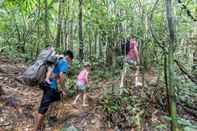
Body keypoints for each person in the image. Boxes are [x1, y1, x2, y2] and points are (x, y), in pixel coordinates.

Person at [34, 50, 74, 131]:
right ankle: (36, 128)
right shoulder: (64, 62)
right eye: (70, 60)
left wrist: (60, 90)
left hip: (50, 86)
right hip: (51, 87)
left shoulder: (57, 59)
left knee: (56, 100)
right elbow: (61, 76)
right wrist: (63, 88)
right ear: (68, 57)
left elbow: (55, 74)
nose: (70, 62)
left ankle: (47, 121)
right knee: (42, 109)